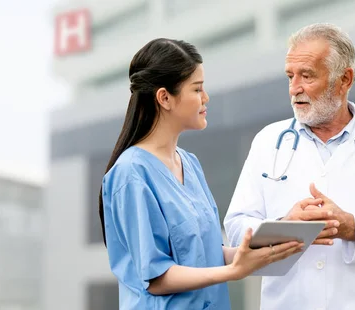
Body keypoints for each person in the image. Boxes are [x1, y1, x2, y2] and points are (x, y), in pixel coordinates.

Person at [223, 23, 355, 310]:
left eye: (307, 76)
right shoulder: (268, 141)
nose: (295, 89)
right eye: (290, 76)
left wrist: (352, 227)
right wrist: (283, 227)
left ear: (345, 79)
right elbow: (237, 228)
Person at [98, 38, 305, 310]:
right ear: (164, 98)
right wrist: (234, 272)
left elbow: (208, 255)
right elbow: (157, 276)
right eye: (197, 89)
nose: (205, 98)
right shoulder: (130, 175)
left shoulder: (190, 164)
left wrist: (280, 235)